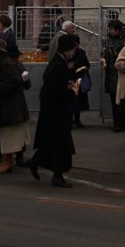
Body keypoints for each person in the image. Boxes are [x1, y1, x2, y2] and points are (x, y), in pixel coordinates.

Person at [30, 32, 79, 188]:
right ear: (67, 49)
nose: (74, 52)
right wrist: (71, 92)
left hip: (55, 110)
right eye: (72, 49)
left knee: (52, 143)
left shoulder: (59, 62)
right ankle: (57, 175)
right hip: (56, 111)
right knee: (59, 144)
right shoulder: (58, 64)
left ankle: (37, 162)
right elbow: (54, 90)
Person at [0, 35, 31, 174]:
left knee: (9, 135)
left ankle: (7, 162)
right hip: (5, 105)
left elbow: (12, 83)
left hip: (11, 106)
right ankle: (5, 161)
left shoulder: (5, 64)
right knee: (4, 135)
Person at [101, 19, 125, 132]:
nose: (109, 31)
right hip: (111, 74)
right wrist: (103, 58)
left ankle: (120, 124)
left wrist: (115, 54)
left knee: (119, 102)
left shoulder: (124, 41)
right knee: (114, 101)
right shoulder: (111, 39)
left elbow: (123, 59)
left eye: (111, 29)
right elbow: (106, 53)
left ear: (117, 30)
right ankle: (117, 123)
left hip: (118, 75)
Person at [69, 35, 90, 128]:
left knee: (79, 101)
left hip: (79, 79)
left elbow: (87, 64)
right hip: (71, 80)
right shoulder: (68, 53)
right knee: (71, 101)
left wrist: (82, 68)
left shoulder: (81, 52)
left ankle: (77, 119)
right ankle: (70, 120)